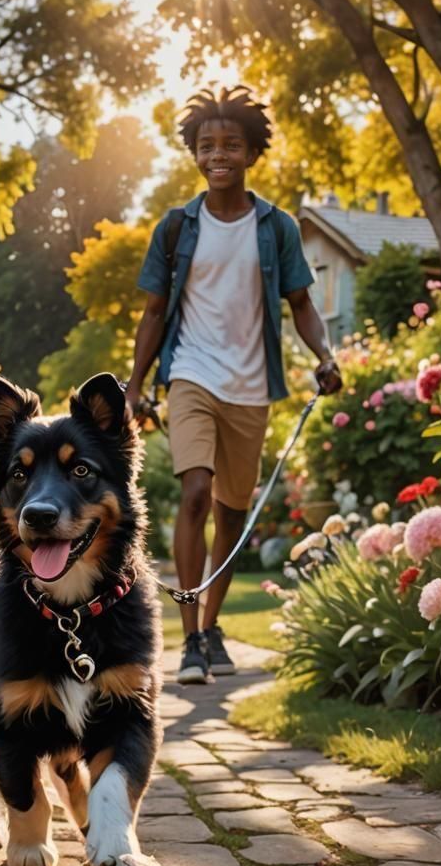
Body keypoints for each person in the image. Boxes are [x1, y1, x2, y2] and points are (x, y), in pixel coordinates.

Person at [125, 86, 342, 686]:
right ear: (194, 153)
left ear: (250, 152)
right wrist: (136, 384)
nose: (218, 153)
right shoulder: (176, 227)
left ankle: (212, 627)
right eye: (207, 145)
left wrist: (323, 354)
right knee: (195, 492)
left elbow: (302, 303)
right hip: (190, 373)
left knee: (231, 514)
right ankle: (191, 635)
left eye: (230, 144)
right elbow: (152, 312)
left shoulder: (277, 228)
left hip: (252, 388)